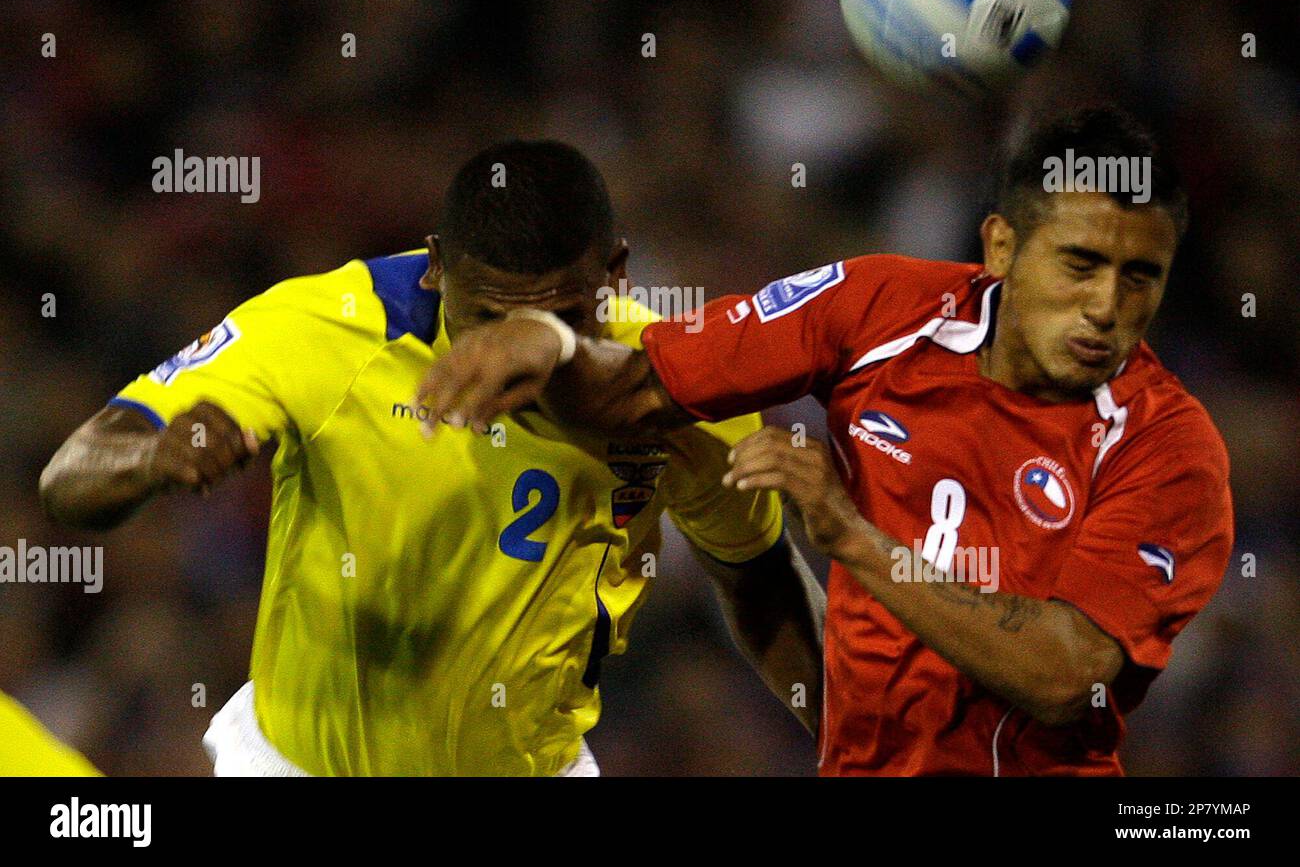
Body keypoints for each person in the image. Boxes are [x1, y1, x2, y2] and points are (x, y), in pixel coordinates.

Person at [417, 107, 1234, 776]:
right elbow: (635, 388)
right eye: (1081, 263)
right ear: (1001, 248)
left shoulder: (1170, 449)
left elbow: (1064, 676)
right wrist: (546, 340)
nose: (1105, 306)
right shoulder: (877, 307)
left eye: (1140, 276)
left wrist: (855, 538)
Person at [39, 140, 824, 776]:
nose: (507, 352)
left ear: (614, 275)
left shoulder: (673, 392)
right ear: (436, 265)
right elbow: (69, 477)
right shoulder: (323, 331)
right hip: (297, 766)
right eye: (483, 316)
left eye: (558, 319)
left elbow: (759, 579)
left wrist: (867, 754)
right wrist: (154, 459)